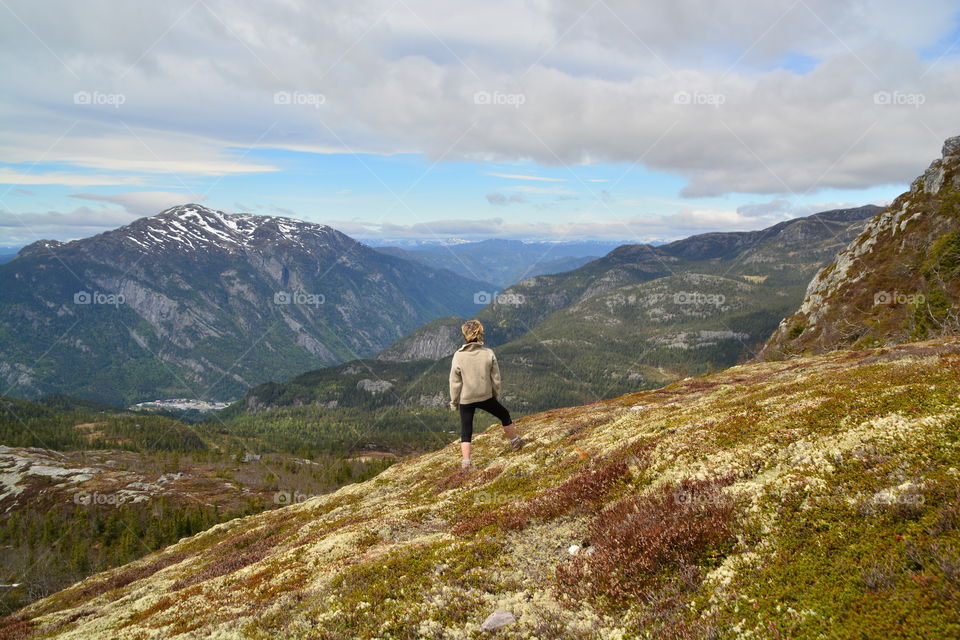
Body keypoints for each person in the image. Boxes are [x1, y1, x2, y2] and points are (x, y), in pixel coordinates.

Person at [449, 319, 523, 470]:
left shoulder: (458, 355)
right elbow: (496, 379)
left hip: (466, 398)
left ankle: (466, 464)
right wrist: (495, 395)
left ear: (465, 335)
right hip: (485, 396)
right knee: (504, 415)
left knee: (466, 429)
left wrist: (454, 402)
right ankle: (514, 442)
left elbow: (454, 382)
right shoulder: (488, 353)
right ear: (480, 333)